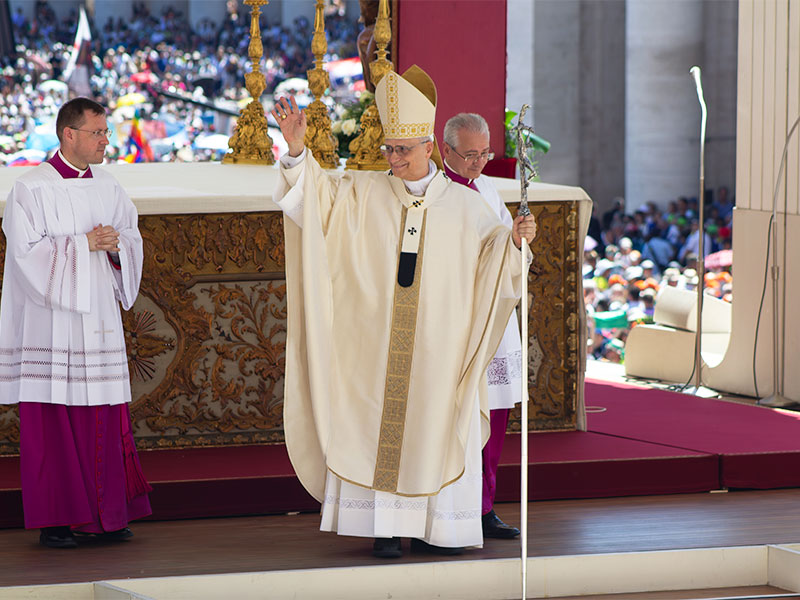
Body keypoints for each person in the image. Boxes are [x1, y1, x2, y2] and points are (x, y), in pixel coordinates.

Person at [270, 66, 536, 558]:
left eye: (404, 150)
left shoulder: (466, 205)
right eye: (389, 149)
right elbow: (313, 201)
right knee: (378, 426)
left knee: (436, 424)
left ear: (430, 147)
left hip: (439, 347)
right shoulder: (362, 194)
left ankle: (442, 528)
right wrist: (295, 151)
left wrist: (516, 243)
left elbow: (498, 263)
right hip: (375, 345)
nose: (393, 159)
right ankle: (385, 529)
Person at [0, 97, 151, 549]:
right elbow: (25, 257)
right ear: (70, 134)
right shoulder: (30, 189)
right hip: (53, 322)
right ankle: (60, 520)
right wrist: (81, 244)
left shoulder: (108, 185)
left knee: (104, 413)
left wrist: (116, 246)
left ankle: (106, 516)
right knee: (55, 418)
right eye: (99, 133)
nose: (107, 140)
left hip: (99, 316)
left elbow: (131, 236)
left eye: (106, 133)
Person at [441, 112, 522, 540]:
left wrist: (519, 238)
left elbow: (508, 249)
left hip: (497, 316)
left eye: (485, 153)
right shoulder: (437, 191)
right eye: (470, 154)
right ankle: (451, 505)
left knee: (495, 413)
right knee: (458, 417)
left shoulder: (488, 186)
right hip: (458, 321)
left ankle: (485, 506)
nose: (479, 162)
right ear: (445, 150)